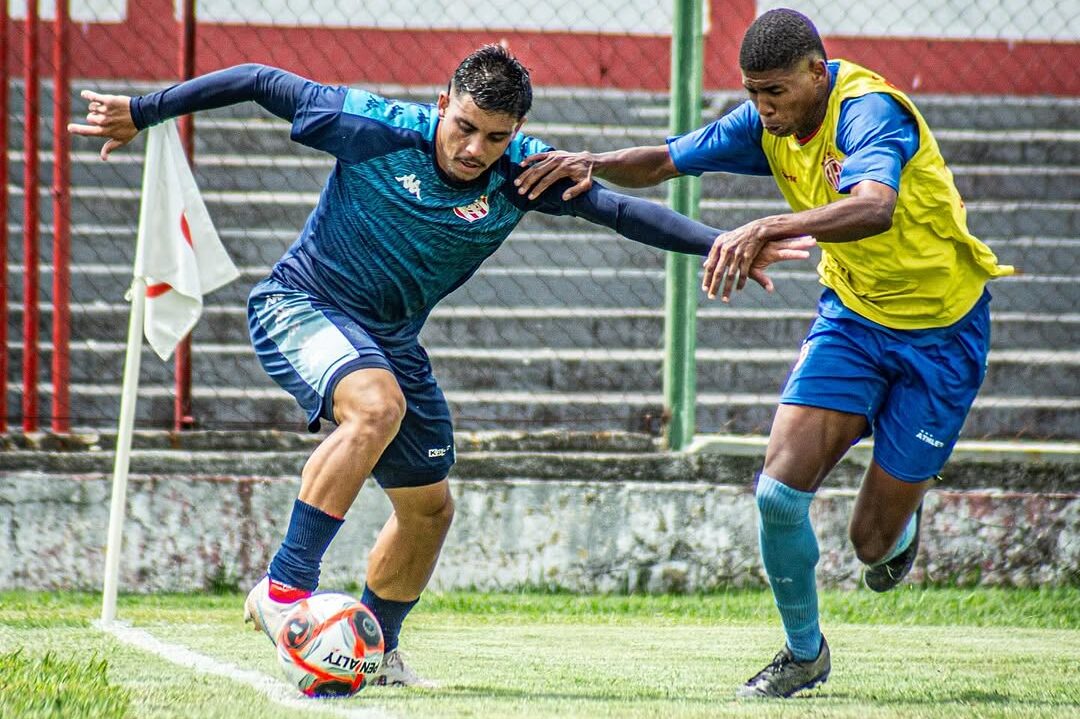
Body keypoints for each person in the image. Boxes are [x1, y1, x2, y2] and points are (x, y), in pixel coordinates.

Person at [70, 45, 813, 687]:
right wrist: (144, 110)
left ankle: (376, 651)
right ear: (441, 106)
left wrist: (724, 241)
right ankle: (284, 589)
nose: (474, 149)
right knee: (375, 407)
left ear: (515, 132)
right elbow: (260, 80)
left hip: (391, 339)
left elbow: (620, 211)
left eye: (495, 136)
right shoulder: (373, 126)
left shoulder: (523, 171)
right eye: (463, 126)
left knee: (429, 510)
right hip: (303, 303)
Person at [516, 8, 1013, 699]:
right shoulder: (764, 122)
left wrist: (768, 225)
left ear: (816, 72)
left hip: (942, 336)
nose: (762, 107)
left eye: (774, 92)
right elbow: (665, 159)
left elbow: (874, 206)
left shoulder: (868, 111)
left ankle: (901, 516)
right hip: (854, 321)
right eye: (752, 92)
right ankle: (804, 654)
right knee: (778, 495)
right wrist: (590, 163)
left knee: (871, 545)